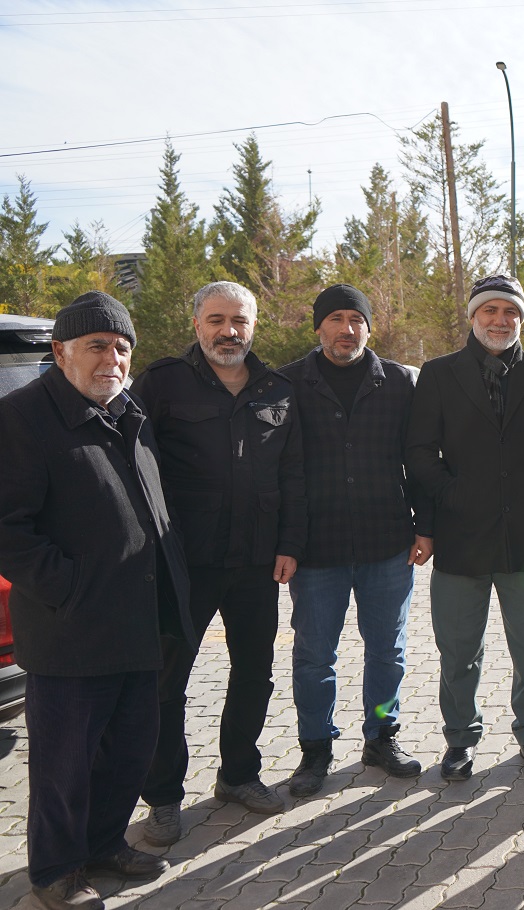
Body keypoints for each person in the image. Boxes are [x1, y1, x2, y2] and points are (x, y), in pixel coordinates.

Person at [0, 292, 192, 910]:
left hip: (138, 623)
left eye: (120, 347)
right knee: (65, 767)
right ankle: (55, 872)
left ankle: (106, 843)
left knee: (129, 749)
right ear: (60, 353)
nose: (111, 357)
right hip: (71, 630)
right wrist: (69, 589)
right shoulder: (23, 418)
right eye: (96, 346)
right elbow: (8, 528)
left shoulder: (127, 413)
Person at [133, 280, 307, 845]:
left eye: (239, 320)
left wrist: (289, 544)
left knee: (255, 671)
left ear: (254, 326)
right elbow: (134, 466)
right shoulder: (162, 384)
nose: (228, 331)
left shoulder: (277, 389)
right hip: (185, 562)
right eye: (216, 320)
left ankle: (238, 774)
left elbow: (293, 476)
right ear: (196, 325)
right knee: (168, 681)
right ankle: (162, 797)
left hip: (256, 561)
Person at [278, 284, 433, 797]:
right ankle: (314, 748)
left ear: (369, 326)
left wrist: (425, 525)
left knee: (387, 653)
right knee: (314, 656)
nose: (347, 329)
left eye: (356, 319)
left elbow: (419, 459)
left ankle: (383, 735)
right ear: (318, 326)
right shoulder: (288, 385)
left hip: (386, 545)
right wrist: (286, 541)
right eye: (337, 319)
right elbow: (280, 471)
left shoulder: (398, 384)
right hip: (316, 551)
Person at [406, 274, 524, 780]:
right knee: (458, 650)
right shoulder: (438, 374)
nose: (501, 320)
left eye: (510, 312)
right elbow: (420, 453)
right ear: (473, 316)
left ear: (521, 318)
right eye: (490, 310)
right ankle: (459, 741)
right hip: (460, 539)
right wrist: (453, 500)